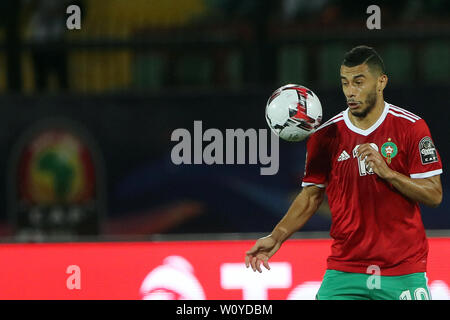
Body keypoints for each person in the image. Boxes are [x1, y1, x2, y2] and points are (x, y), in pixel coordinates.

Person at [245, 45, 443, 300]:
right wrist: (277, 236)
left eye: (359, 82)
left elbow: (434, 195)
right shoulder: (324, 136)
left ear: (381, 82)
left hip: (402, 270)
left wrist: (389, 173)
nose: (351, 91)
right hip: (345, 271)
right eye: (345, 83)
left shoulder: (411, 127)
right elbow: (310, 197)